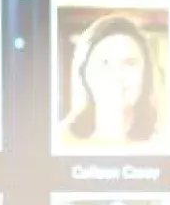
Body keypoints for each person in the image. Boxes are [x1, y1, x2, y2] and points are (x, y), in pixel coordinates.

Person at [61, 13, 162, 147]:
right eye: (105, 63)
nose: (117, 74)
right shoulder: (60, 142)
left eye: (129, 63)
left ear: (146, 74)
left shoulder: (162, 144)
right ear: (84, 73)